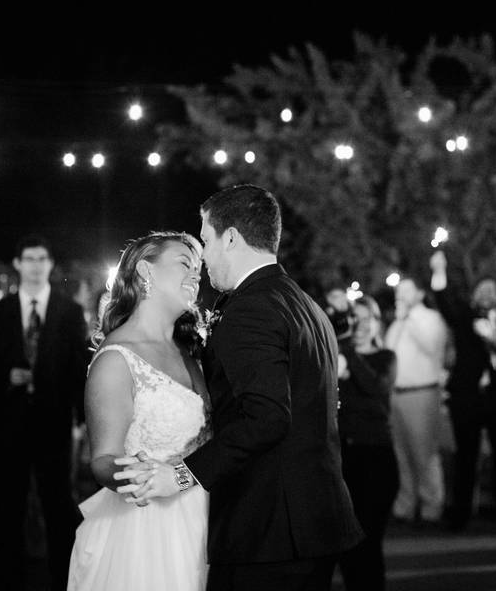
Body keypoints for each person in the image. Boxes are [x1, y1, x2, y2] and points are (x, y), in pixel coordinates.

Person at [118, 185, 363, 591]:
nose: (204, 259)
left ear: (231, 237)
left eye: (206, 240)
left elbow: (267, 417)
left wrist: (180, 476)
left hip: (270, 528)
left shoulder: (252, 307)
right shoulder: (306, 305)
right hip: (314, 519)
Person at [67, 231, 210, 590]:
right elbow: (102, 458)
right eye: (184, 264)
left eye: (198, 268)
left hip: (202, 518)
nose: (196, 275)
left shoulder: (189, 352)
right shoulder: (118, 358)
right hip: (144, 533)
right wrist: (141, 477)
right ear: (146, 271)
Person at [0, 236, 88, 591]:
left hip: (53, 423)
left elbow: (79, 369)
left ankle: (64, 581)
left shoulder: (69, 311)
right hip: (8, 425)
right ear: (17, 263)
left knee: (58, 508)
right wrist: (5, 377)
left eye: (41, 258)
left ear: (49, 263)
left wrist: (79, 421)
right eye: (28, 258)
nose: (35, 264)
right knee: (7, 509)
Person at [429, 250, 496, 533]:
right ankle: (459, 518)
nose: (486, 293)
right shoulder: (465, 318)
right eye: (482, 289)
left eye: (491, 290)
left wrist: (495, 339)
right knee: (466, 457)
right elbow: (445, 303)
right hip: (467, 396)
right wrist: (439, 271)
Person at [336, 296, 398, 591]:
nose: (359, 326)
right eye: (353, 320)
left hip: (375, 458)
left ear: (376, 323)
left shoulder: (385, 358)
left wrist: (347, 350)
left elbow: (376, 391)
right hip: (344, 459)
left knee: (369, 542)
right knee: (345, 546)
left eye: (365, 319)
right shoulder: (336, 360)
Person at [384, 277, 447, 525]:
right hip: (396, 393)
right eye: (399, 291)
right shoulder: (398, 322)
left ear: (420, 294)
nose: (400, 295)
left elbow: (431, 347)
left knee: (424, 453)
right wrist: (400, 321)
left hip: (422, 393)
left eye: (406, 291)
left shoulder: (431, 319)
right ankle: (405, 504)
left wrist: (409, 318)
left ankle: (431, 505)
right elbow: (388, 352)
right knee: (401, 453)